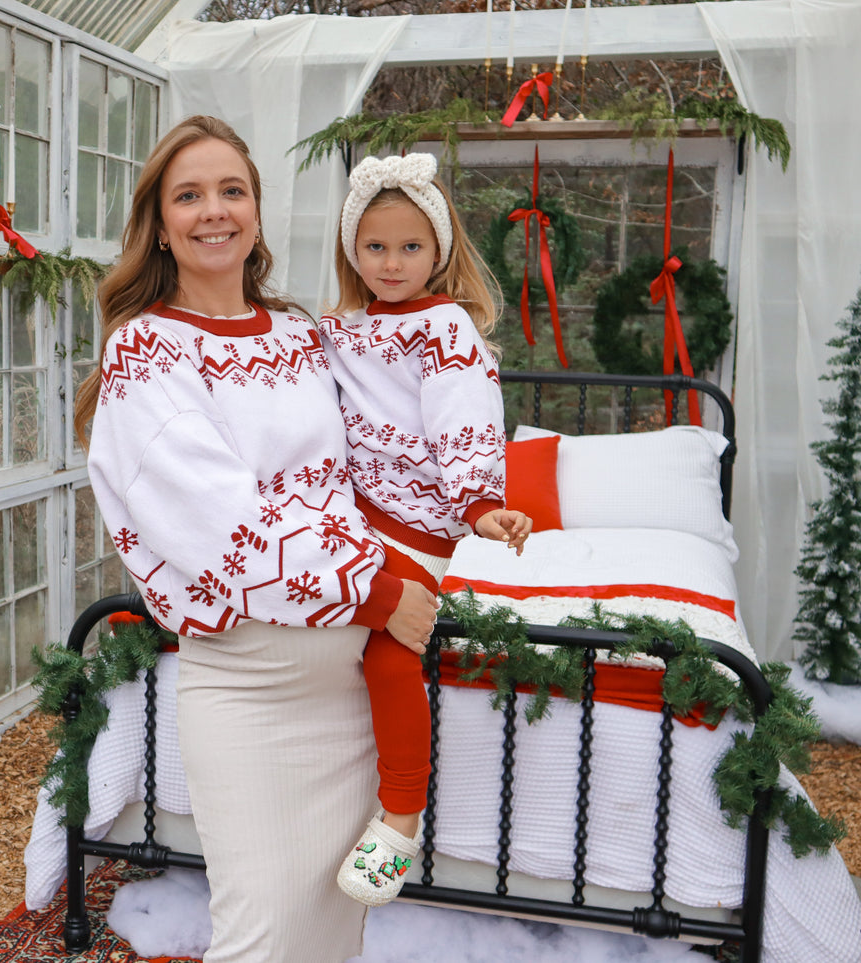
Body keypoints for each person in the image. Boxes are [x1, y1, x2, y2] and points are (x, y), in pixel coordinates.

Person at [73, 116, 440, 962]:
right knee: (264, 935)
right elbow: (221, 524)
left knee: (328, 932)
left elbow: (369, 463)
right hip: (250, 694)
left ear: (258, 212)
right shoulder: (145, 351)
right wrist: (383, 592)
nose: (214, 211)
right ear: (159, 225)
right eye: (188, 195)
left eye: (231, 190)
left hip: (349, 691)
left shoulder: (301, 335)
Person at [321, 152, 530, 907]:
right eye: (374, 246)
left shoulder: (446, 330)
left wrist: (480, 506)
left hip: (416, 527)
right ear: (353, 251)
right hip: (348, 518)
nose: (391, 261)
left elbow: (464, 425)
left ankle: (402, 815)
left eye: (409, 246)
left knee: (386, 656)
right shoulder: (344, 328)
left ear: (438, 250)